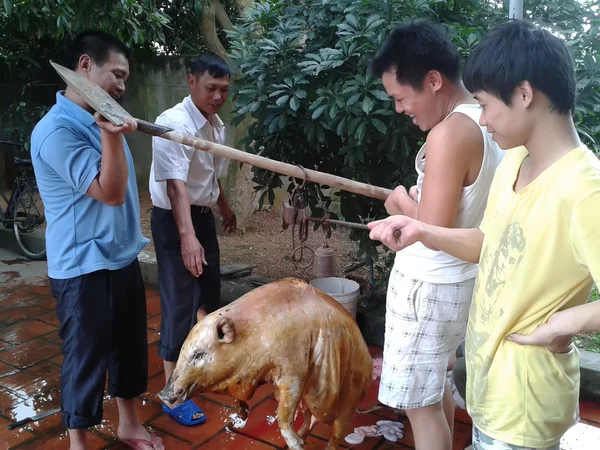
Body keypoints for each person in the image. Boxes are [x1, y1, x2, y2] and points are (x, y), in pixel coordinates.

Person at [368, 19, 600, 450]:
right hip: (491, 390)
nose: (483, 118)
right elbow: (486, 242)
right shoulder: (516, 162)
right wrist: (422, 229)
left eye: (487, 104)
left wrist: (564, 324)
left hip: (528, 401)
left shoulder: (585, 189)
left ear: (524, 94)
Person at [369, 20, 504, 450]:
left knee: (420, 408)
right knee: (433, 390)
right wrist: (421, 197)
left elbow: (430, 229)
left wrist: (398, 203)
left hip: (429, 285)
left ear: (433, 81)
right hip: (457, 280)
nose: (399, 108)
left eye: (401, 97)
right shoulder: (489, 122)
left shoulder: (449, 133)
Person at [30, 30, 163, 450]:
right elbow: (108, 191)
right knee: (85, 358)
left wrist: (110, 131)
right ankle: (78, 441)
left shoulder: (101, 120)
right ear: (84, 66)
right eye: (117, 74)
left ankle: (127, 422)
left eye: (126, 78)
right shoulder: (55, 132)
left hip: (120, 256)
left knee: (128, 348)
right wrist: (111, 134)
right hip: (82, 266)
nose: (123, 86)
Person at [149, 52, 236, 425]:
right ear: (191, 82)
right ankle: (172, 393)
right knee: (180, 303)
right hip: (174, 221)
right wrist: (187, 238)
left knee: (208, 295)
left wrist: (225, 207)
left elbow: (209, 178)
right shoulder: (172, 123)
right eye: (210, 88)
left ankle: (196, 363)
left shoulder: (216, 126)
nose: (217, 96)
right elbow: (175, 187)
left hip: (201, 218)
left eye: (224, 90)